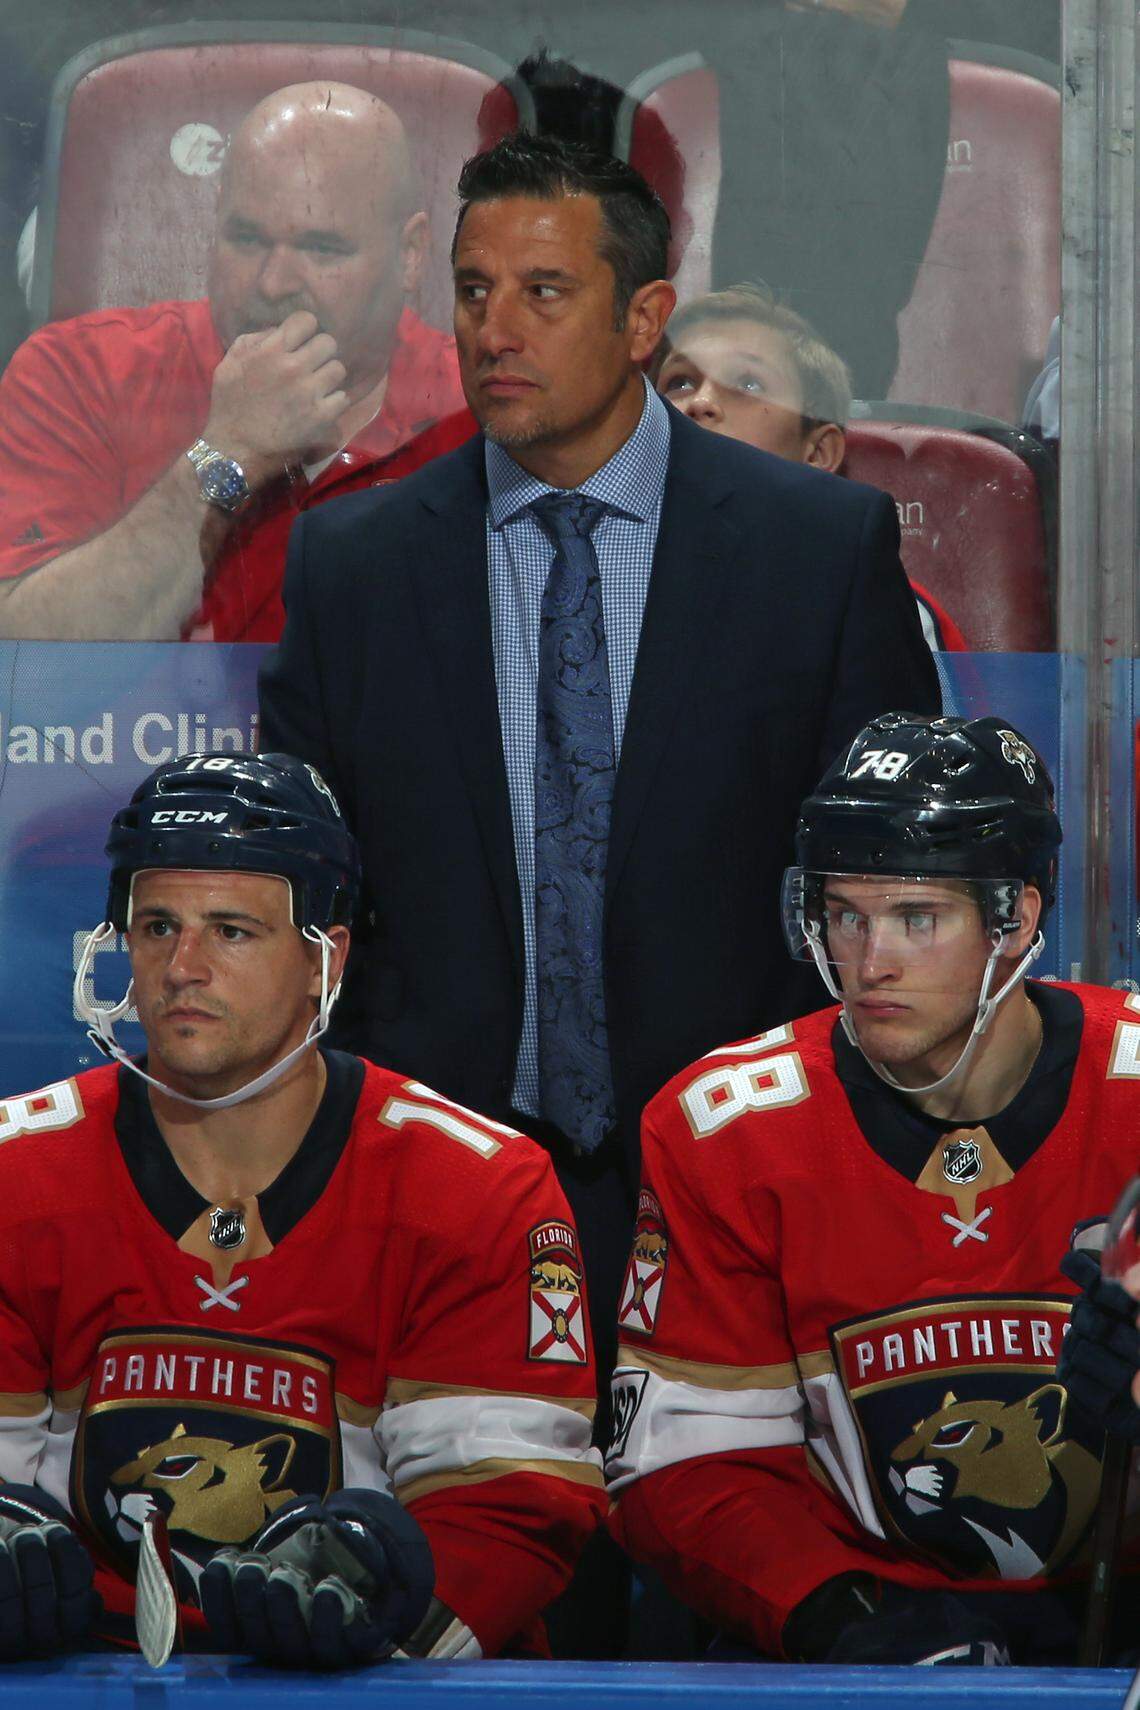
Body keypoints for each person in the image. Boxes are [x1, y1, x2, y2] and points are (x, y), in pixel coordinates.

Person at [258, 132, 941, 1392]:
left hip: (746, 1184)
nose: (495, 331)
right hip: (436, 1187)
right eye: (473, 291)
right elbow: (307, 893)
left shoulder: (816, 549)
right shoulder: (354, 565)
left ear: (644, 320)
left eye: (543, 292)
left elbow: (892, 883)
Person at [0, 752, 602, 1664]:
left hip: (372, 1691)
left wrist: (377, 1611)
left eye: (232, 931)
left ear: (328, 958)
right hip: (94, 1677)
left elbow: (505, 1514)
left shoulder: (474, 1185)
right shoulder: (18, 1172)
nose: (182, 968)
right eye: (157, 926)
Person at [608, 711, 1140, 1666]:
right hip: (852, 1625)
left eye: (915, 918)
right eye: (845, 915)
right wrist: (839, 1617)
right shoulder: (724, 1128)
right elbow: (688, 1461)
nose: (868, 961)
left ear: (1016, 919)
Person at [0, 82, 471, 642]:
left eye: (322, 248)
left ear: (410, 255)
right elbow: (24, 661)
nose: (273, 284)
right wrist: (228, 453)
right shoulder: (83, 375)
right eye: (247, 239)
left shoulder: (476, 406)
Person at [654, 282, 968, 653]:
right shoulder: (610, 582)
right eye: (680, 382)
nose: (701, 402)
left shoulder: (876, 604)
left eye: (748, 383)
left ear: (818, 452)